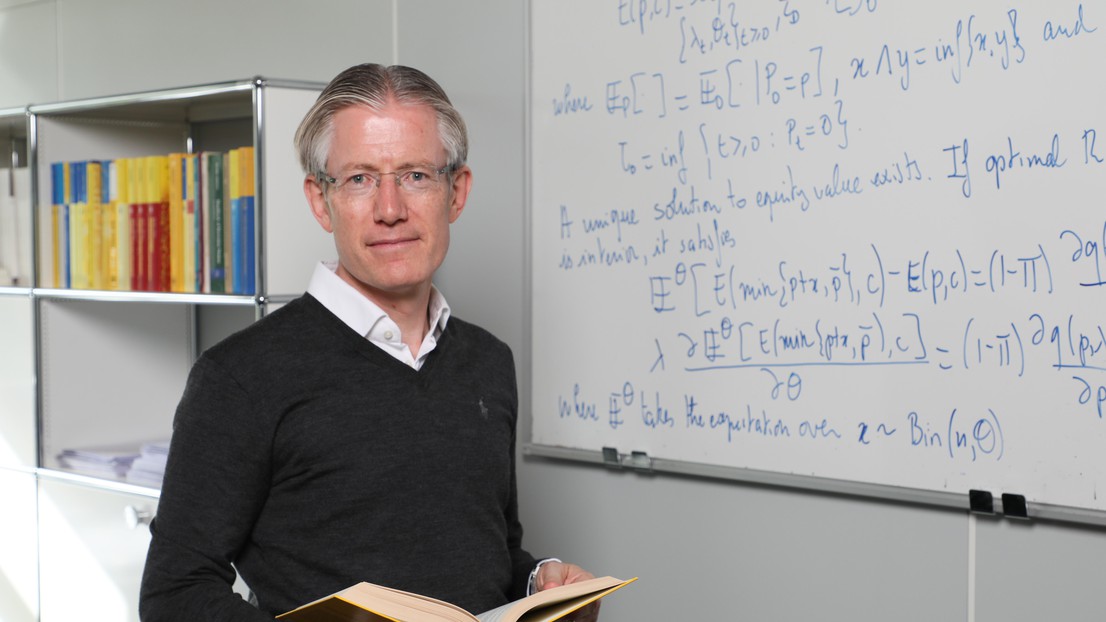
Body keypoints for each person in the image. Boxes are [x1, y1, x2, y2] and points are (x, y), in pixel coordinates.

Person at [139, 63, 599, 621]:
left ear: (456, 192)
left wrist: (537, 582)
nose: (389, 209)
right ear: (319, 199)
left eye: (415, 175)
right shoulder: (240, 377)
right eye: (359, 178)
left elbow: (486, 554)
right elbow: (174, 595)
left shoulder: (488, 363)